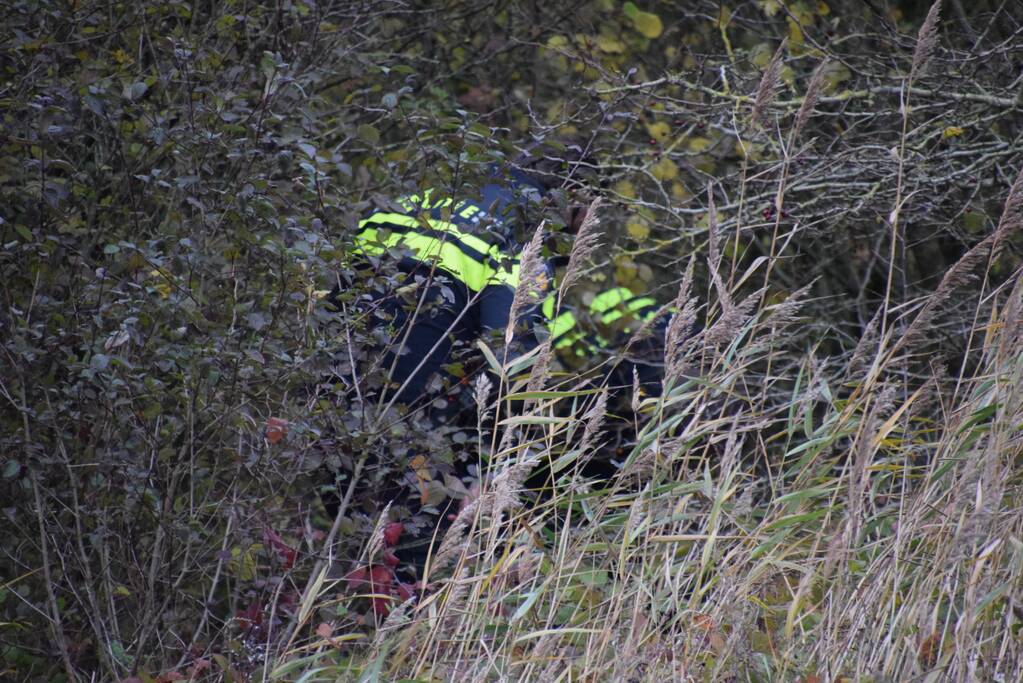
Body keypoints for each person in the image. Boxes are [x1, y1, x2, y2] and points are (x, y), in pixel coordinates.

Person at [323, 139, 596, 579]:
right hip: (405, 408)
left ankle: (329, 595)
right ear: (573, 200)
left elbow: (335, 289)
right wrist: (495, 460)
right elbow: (509, 355)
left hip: (331, 387)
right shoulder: (522, 235)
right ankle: (399, 606)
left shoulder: (425, 197)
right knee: (414, 535)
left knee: (343, 520)